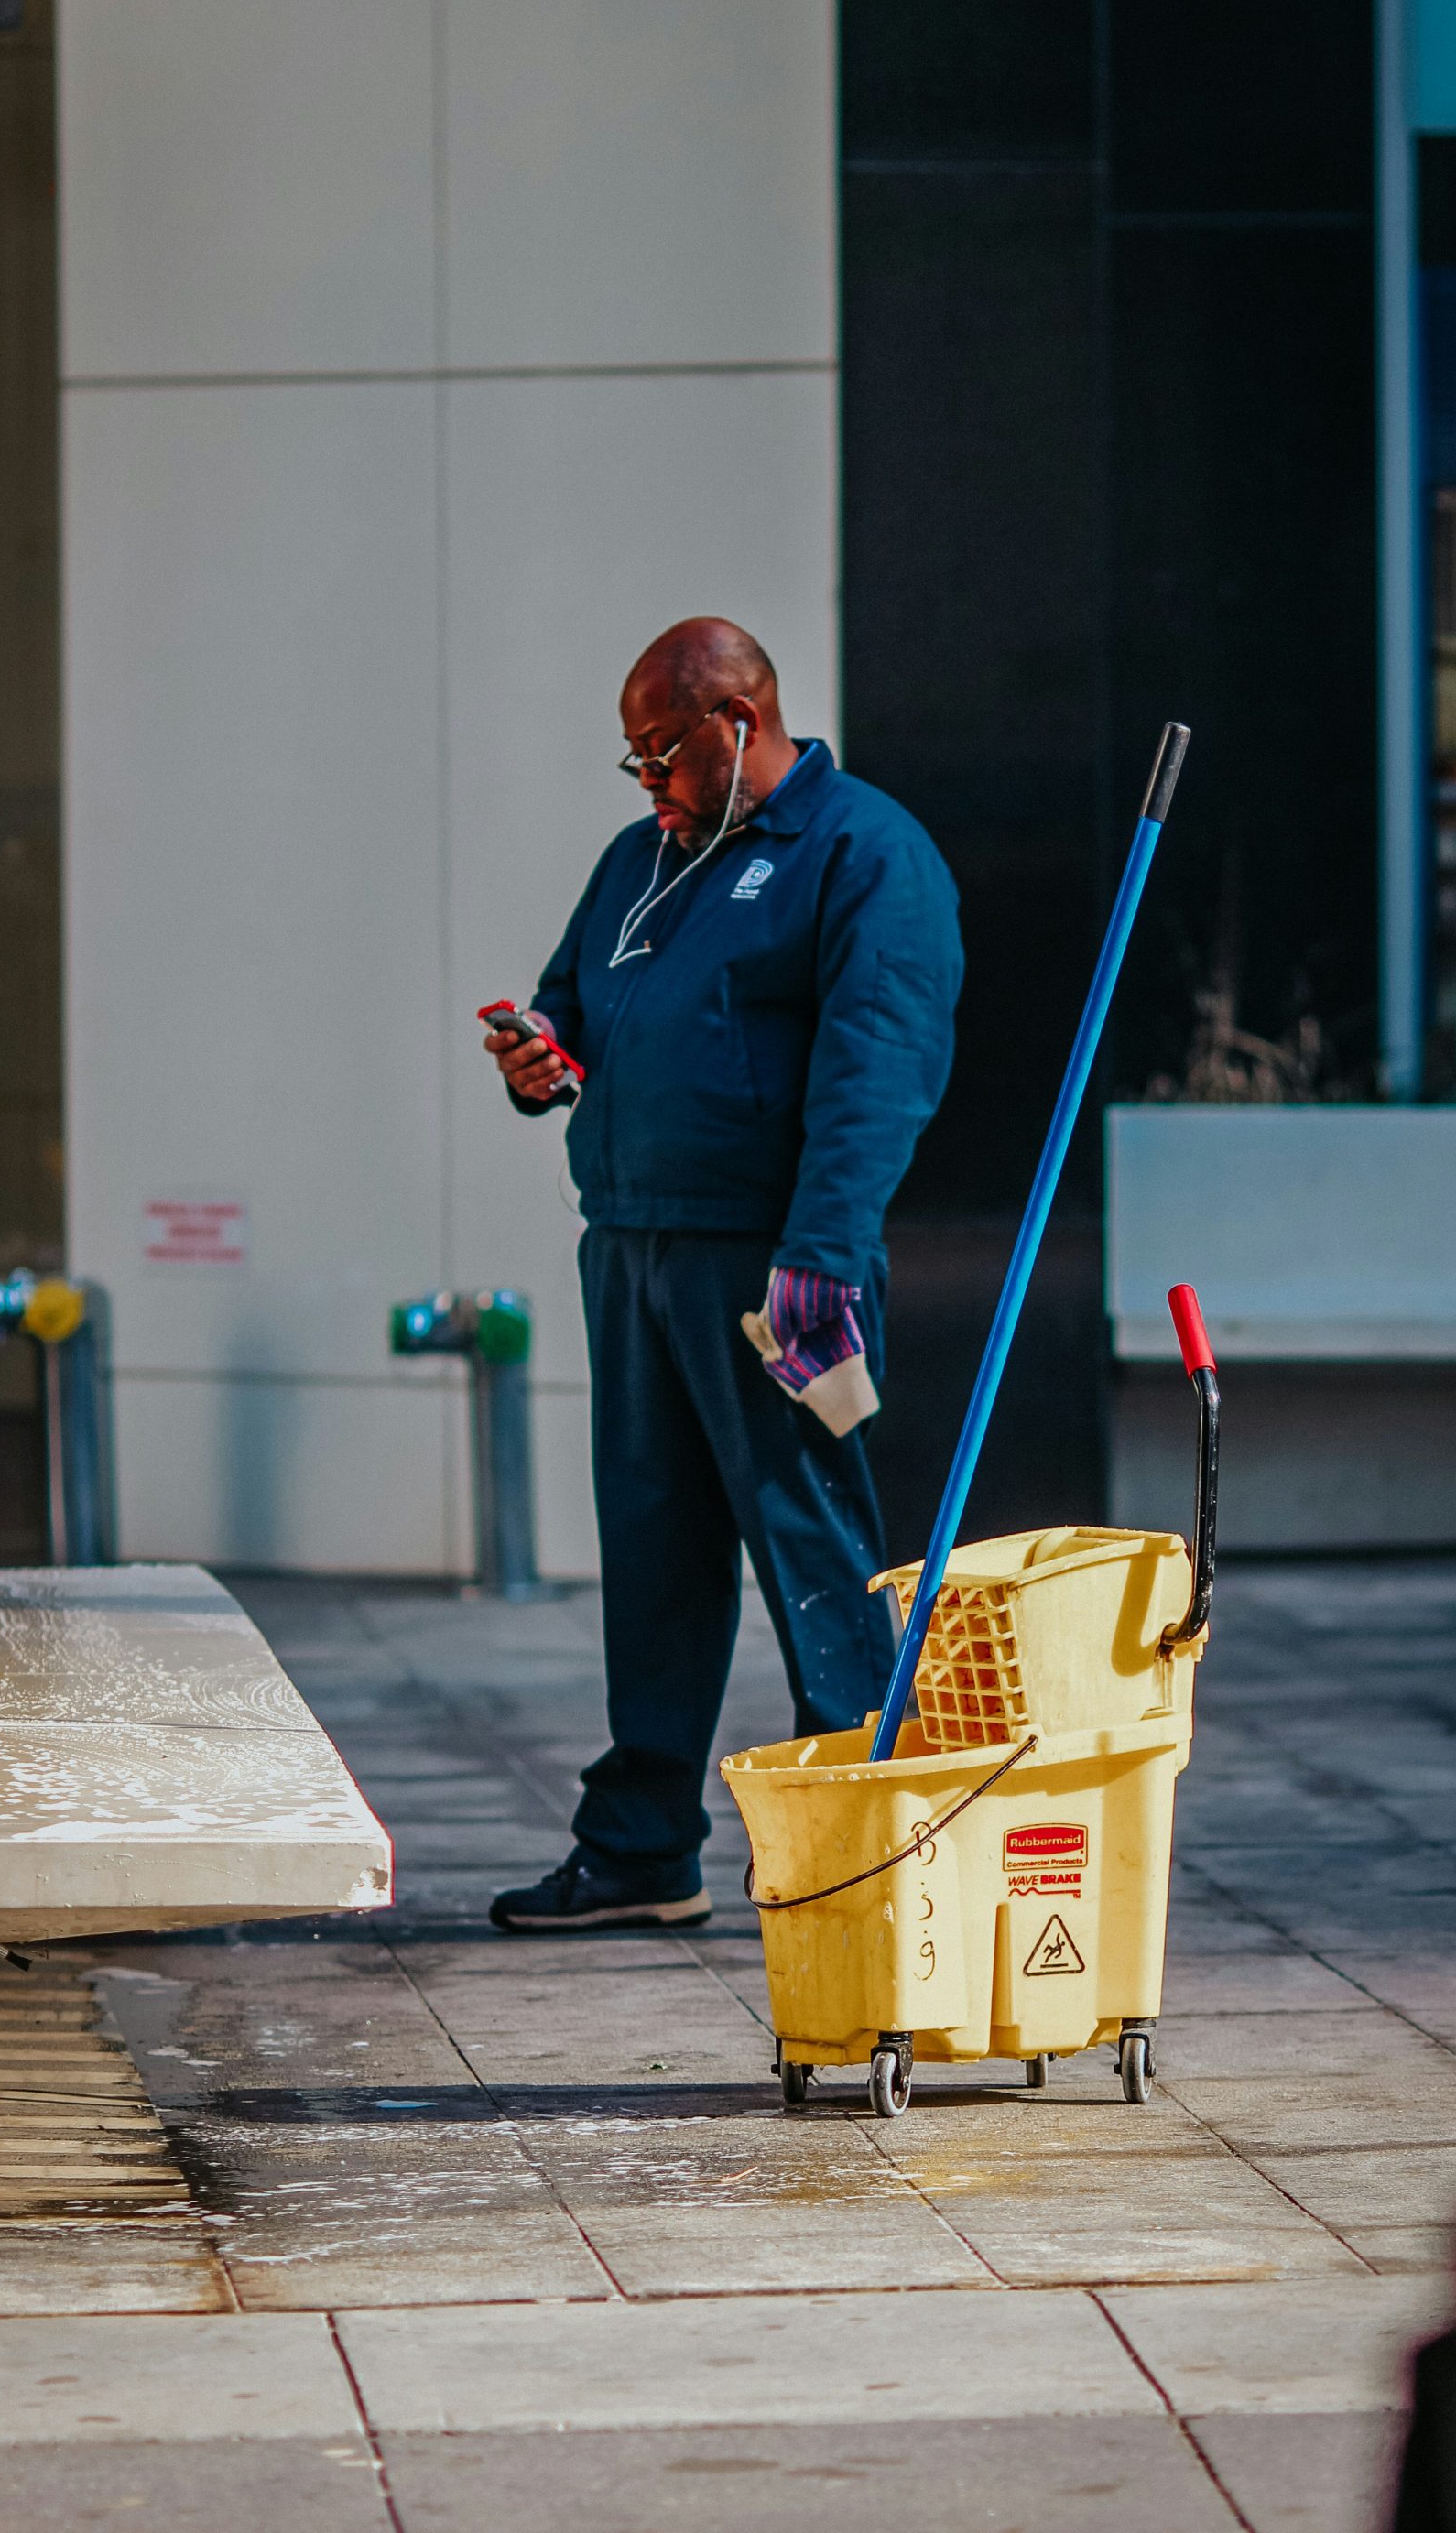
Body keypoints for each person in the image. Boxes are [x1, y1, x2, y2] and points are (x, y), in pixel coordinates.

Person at [486, 617, 963, 1931]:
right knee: (652, 1549)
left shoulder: (865, 851)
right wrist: (542, 1059)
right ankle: (642, 1844)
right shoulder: (641, 860)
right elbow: (571, 1002)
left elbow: (881, 1066)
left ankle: (872, 1843)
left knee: (810, 1544)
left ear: (736, 724)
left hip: (770, 1266)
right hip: (631, 1241)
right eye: (631, 762)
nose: (645, 784)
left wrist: (818, 1256)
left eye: (660, 756)